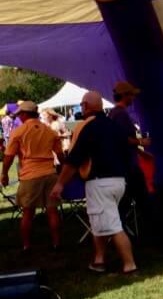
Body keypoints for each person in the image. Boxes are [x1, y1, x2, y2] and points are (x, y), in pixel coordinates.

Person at [50, 91, 137, 274]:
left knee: (113, 226)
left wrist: (60, 184)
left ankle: (130, 264)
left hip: (100, 183)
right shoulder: (114, 126)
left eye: (82, 105)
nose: (81, 108)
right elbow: (127, 150)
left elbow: (74, 160)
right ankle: (99, 261)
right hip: (119, 181)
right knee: (99, 222)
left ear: (86, 106)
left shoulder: (88, 128)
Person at [1, 101, 63, 251]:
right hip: (50, 173)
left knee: (28, 212)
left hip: (30, 176)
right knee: (52, 211)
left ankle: (26, 245)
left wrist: (4, 174)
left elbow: (9, 156)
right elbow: (60, 155)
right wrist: (62, 173)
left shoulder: (19, 131)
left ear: (24, 114)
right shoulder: (49, 131)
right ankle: (56, 243)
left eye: (19, 115)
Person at [109, 80, 151, 221]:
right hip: (128, 166)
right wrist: (141, 142)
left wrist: (140, 152)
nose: (133, 98)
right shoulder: (121, 114)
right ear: (125, 95)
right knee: (142, 200)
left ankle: (119, 231)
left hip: (124, 165)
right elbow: (123, 139)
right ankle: (153, 232)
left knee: (127, 201)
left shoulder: (114, 113)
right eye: (132, 95)